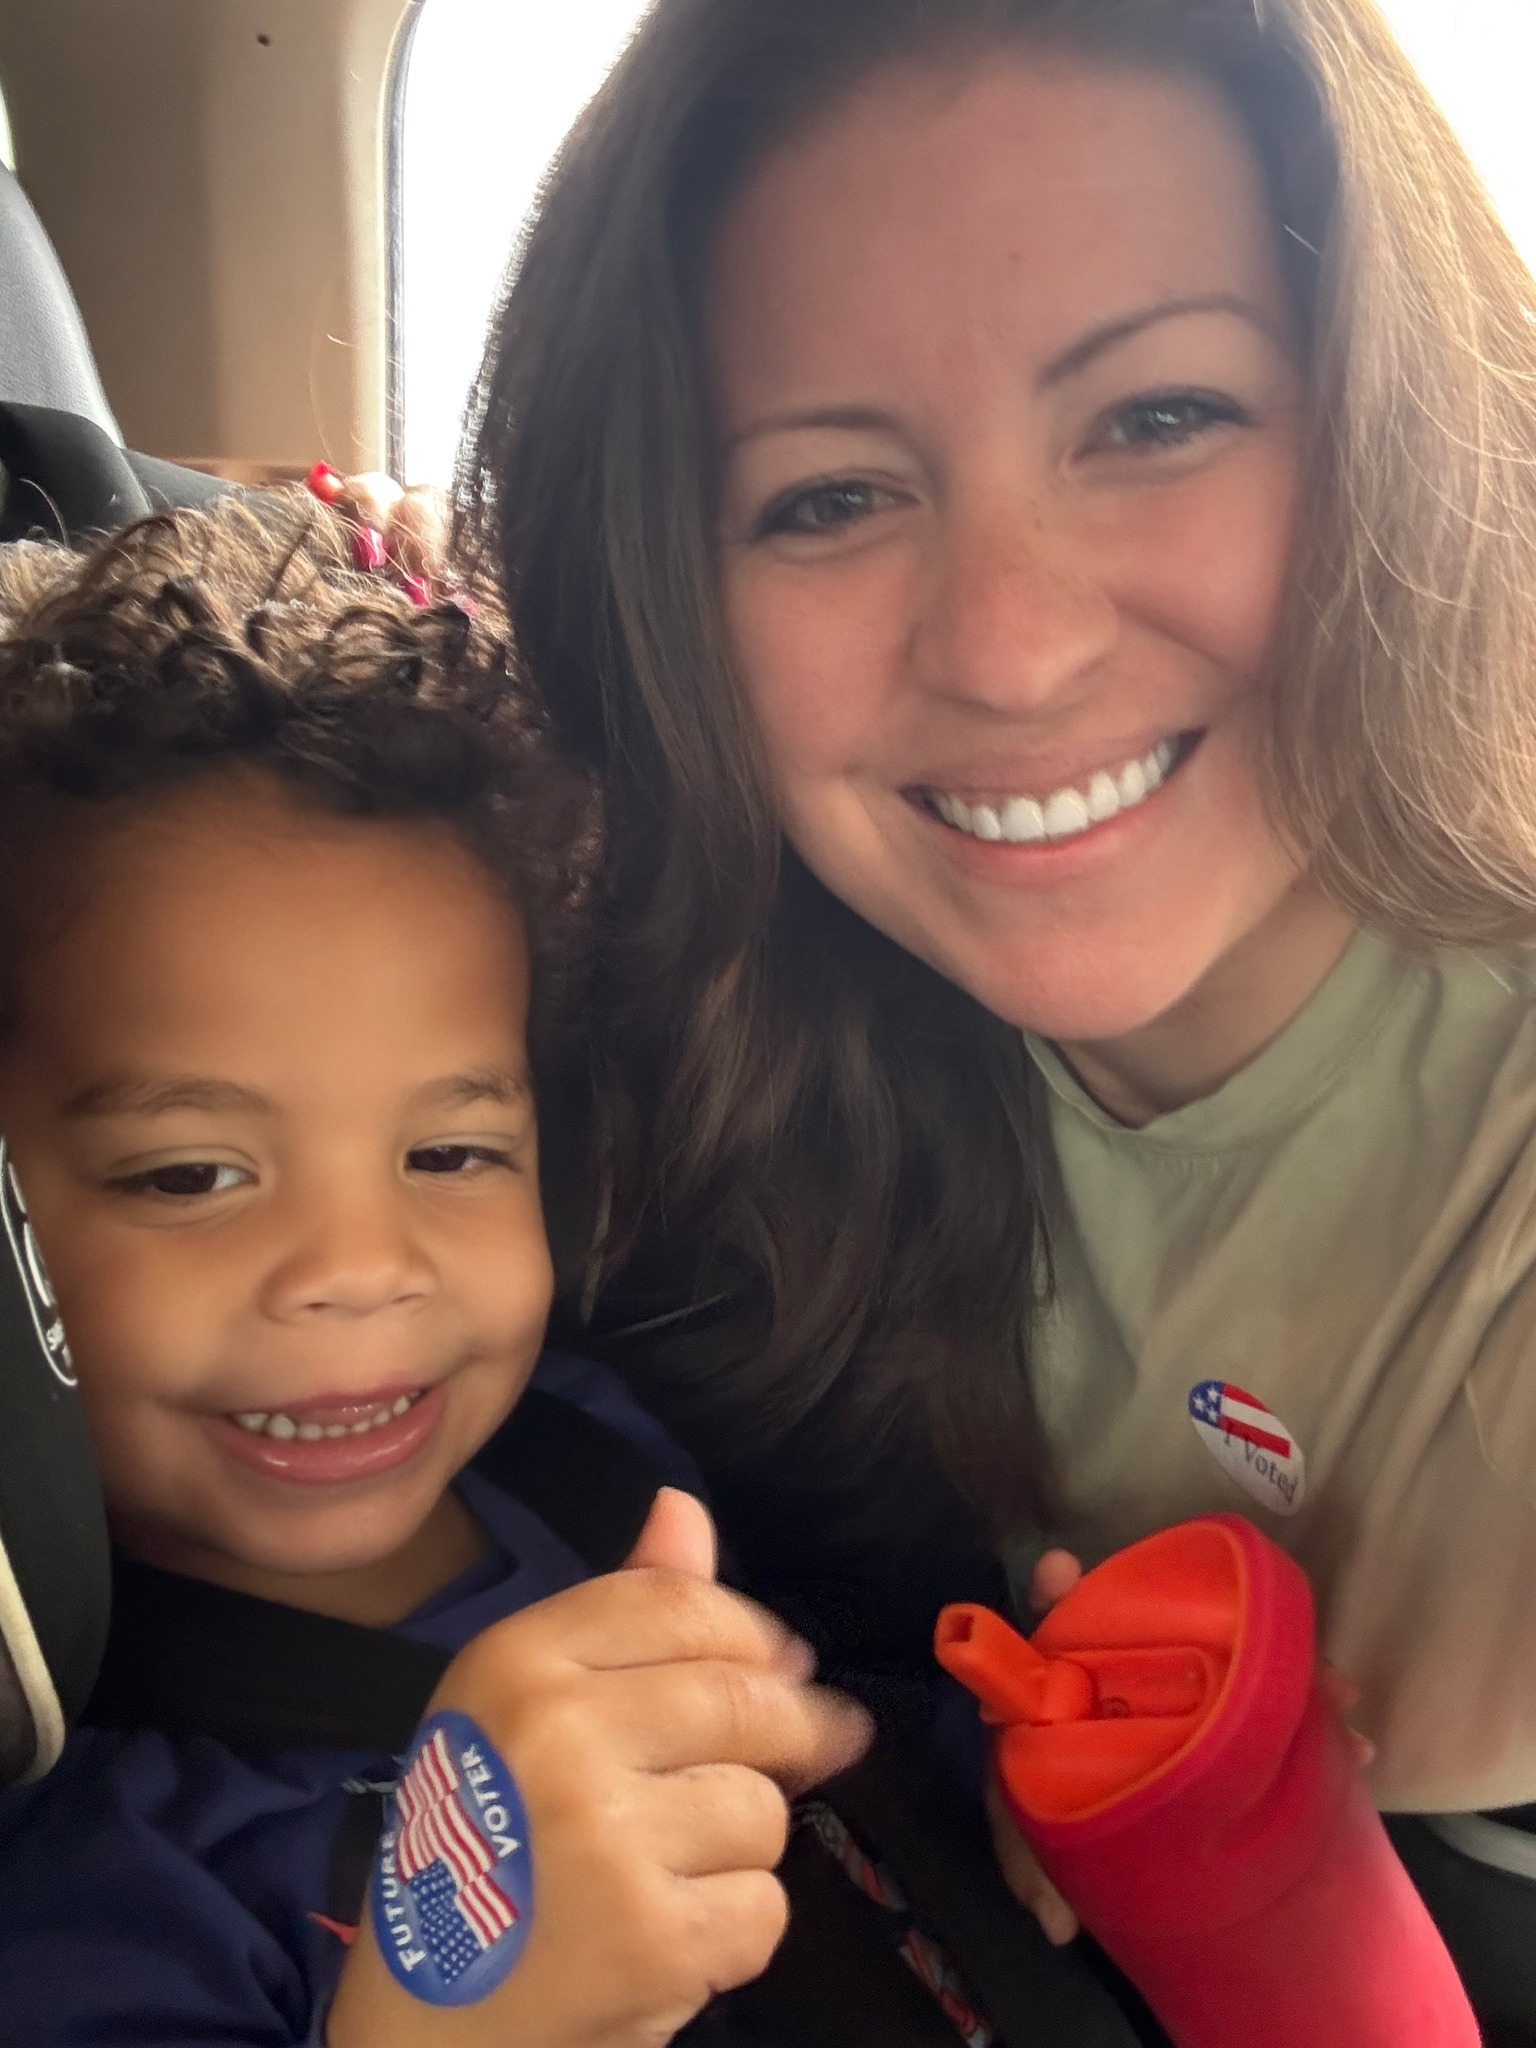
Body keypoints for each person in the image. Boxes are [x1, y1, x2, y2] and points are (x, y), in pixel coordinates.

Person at [463, 0, 1536, 2025]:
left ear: (1403, 421)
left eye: (1157, 417)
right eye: (827, 499)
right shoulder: (713, 1071)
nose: (1015, 645)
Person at [0, 496, 870, 2048]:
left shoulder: (596, 1459)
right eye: (192, 1175)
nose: (356, 1270)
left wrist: (1016, 1758)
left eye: (451, 1154)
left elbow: (842, 1759)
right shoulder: (94, 1865)